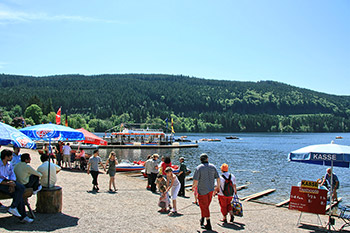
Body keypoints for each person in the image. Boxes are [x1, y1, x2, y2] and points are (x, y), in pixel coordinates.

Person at [0, 149, 33, 223]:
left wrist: (12, 183)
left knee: (20, 189)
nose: (12, 157)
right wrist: (8, 184)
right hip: (2, 184)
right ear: (6, 157)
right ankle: (22, 216)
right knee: (19, 194)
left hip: (9, 182)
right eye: (11, 156)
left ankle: (13, 207)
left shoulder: (9, 164)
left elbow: (12, 174)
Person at [192, 153, 220, 231]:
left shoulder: (199, 168)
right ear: (207, 159)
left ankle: (208, 223)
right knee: (206, 206)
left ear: (201, 160)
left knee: (204, 206)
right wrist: (217, 187)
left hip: (202, 190)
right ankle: (202, 219)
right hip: (210, 190)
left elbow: (195, 180)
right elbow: (218, 178)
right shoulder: (213, 167)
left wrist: (193, 187)